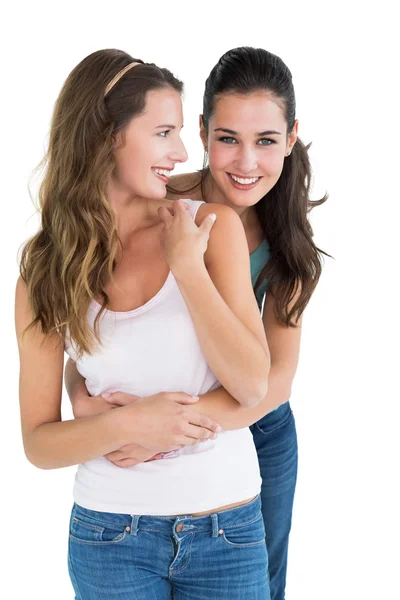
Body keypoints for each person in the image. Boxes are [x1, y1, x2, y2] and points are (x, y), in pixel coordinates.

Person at [67, 46, 327, 600]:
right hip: (157, 422)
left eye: (266, 141)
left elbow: (274, 382)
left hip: (256, 425)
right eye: (228, 138)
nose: (246, 162)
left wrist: (161, 431)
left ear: (292, 137)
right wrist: (87, 401)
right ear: (204, 132)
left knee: (267, 577)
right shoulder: (162, 201)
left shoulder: (290, 243)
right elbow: (94, 332)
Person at [15, 48, 272, 599]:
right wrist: (129, 425)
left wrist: (188, 268)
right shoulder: (45, 270)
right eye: (163, 132)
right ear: (108, 136)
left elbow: (253, 385)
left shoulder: (209, 227)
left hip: (226, 530)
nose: (181, 152)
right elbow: (39, 443)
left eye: (179, 133)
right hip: (110, 535)